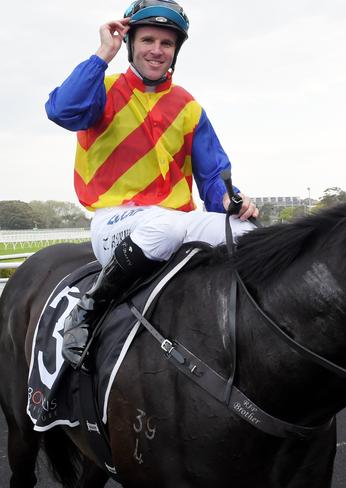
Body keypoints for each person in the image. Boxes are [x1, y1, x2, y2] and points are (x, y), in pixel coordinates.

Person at [45, 0, 258, 368]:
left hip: (174, 221)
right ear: (131, 44)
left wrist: (231, 202)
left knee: (245, 232)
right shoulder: (104, 88)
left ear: (176, 51)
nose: (157, 51)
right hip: (116, 222)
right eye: (148, 40)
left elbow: (212, 178)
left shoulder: (189, 107)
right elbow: (62, 111)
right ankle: (88, 310)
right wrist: (102, 54)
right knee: (166, 224)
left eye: (166, 43)